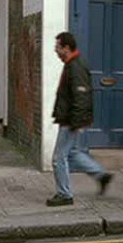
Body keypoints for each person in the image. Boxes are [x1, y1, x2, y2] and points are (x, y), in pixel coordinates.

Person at [46, 32, 113, 207]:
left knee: (58, 158)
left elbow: (81, 96)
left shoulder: (76, 66)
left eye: (58, 47)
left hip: (70, 121)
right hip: (70, 119)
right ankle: (101, 175)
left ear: (66, 48)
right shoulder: (71, 64)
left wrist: (76, 123)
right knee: (73, 154)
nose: (56, 51)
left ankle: (64, 194)